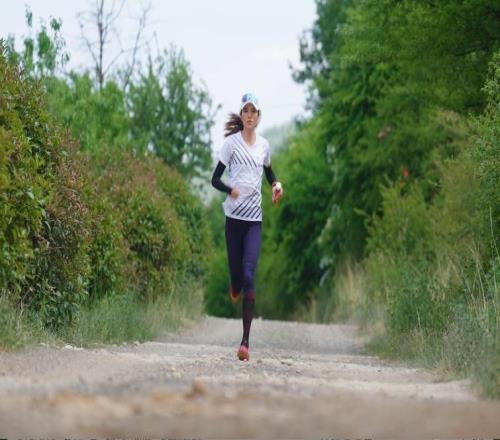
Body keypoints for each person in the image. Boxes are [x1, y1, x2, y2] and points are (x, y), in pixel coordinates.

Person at [211, 93, 283, 361]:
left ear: (259, 116)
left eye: (254, 111)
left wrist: (276, 186)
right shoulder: (231, 145)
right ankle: (235, 284)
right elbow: (215, 179)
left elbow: (270, 173)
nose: (250, 115)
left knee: (249, 275)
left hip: (254, 221)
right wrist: (229, 189)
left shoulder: (264, 146)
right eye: (246, 111)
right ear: (241, 115)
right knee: (237, 275)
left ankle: (245, 342)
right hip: (233, 221)